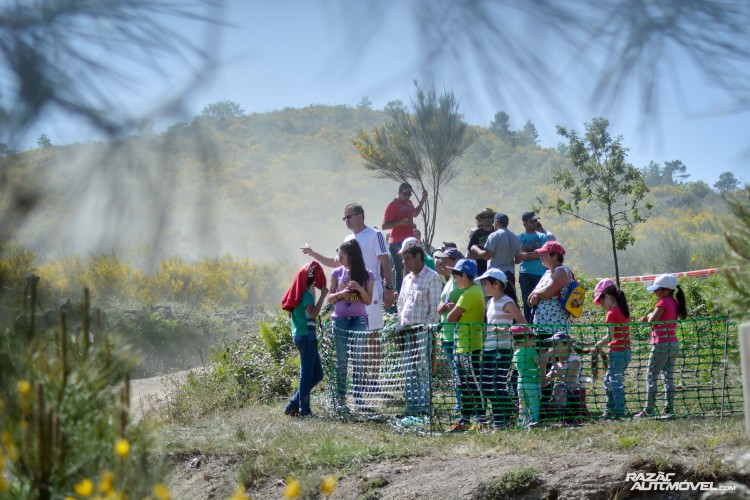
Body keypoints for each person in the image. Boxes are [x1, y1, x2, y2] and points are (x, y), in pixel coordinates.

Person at [301, 203, 394, 396]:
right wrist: (313, 253)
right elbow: (335, 262)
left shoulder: (375, 235)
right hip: (349, 298)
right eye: (344, 218)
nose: (347, 221)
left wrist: (389, 288)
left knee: (372, 336)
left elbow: (385, 260)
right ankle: (361, 382)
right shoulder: (348, 239)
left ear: (360, 215)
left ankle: (373, 380)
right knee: (356, 338)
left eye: (349, 216)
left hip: (371, 290)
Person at [327, 239, 375, 410]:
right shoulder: (336, 273)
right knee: (342, 361)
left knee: (358, 360)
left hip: (359, 321)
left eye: (342, 256)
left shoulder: (368, 274)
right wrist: (342, 293)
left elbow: (368, 301)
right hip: (339, 320)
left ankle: (359, 399)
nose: (339, 259)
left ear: (351, 256)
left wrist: (359, 289)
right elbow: (330, 298)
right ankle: (340, 400)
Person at [396, 239, 442, 416]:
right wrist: (400, 328)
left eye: (407, 258)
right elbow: (401, 305)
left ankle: (424, 406)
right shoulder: (407, 279)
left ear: (418, 256)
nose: (404, 261)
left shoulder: (432, 277)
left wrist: (425, 329)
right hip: (406, 331)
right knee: (408, 369)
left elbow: (435, 309)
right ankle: (412, 406)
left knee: (423, 369)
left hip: (422, 332)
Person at [477, 268, 526, 429]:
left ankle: (501, 421)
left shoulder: (508, 302)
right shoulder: (489, 302)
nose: (483, 287)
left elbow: (523, 325)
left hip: (503, 349)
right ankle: (508, 412)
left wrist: (506, 330)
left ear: (496, 284)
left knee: (497, 385)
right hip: (489, 349)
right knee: (485, 385)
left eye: (485, 283)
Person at [635, 274, 687, 418]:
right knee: (668, 377)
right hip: (673, 343)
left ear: (665, 290)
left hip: (661, 344)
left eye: (657, 289)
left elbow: (652, 321)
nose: (654, 292)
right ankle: (669, 409)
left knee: (651, 376)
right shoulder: (674, 303)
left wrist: (644, 319)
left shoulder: (662, 303)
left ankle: (648, 410)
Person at [444, 259, 486, 432]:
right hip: (462, 345)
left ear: (464, 275)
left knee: (474, 383)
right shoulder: (471, 292)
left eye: (456, 275)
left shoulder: (470, 293)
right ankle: (465, 420)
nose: (454, 279)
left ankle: (483, 420)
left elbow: (450, 318)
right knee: (463, 384)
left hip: (470, 346)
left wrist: (454, 312)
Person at [283, 263, 329, 417]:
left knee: (317, 374)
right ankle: (304, 411)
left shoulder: (295, 294)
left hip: (299, 335)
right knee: (307, 375)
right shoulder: (307, 295)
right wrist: (323, 295)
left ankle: (293, 405)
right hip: (307, 337)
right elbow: (313, 315)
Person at [593, 278, 632, 420]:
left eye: (602, 301)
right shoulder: (623, 310)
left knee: (615, 383)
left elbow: (610, 336)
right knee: (608, 381)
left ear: (608, 297)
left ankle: (619, 412)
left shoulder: (611, 313)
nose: (602, 305)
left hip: (617, 353)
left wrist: (597, 345)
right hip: (626, 351)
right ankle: (609, 409)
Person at [382, 182, 428, 296]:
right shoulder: (392, 205)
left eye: (409, 194)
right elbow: (384, 225)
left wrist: (423, 199)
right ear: (399, 193)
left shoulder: (409, 203)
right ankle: (400, 296)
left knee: (412, 267)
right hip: (396, 242)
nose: (407, 196)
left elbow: (415, 213)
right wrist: (400, 222)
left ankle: (411, 293)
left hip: (409, 241)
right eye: (404, 194)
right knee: (400, 270)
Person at [434, 247, 465, 411]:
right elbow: (445, 300)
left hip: (459, 331)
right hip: (446, 331)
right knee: (456, 371)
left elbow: (471, 301)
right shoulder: (450, 281)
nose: (443, 264)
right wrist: (441, 307)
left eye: (446, 261)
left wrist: (455, 306)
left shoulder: (464, 282)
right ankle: (459, 404)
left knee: (460, 371)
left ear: (456, 261)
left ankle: (463, 405)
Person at [527, 241, 572, 334]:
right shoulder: (548, 273)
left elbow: (546, 293)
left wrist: (533, 294)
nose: (540, 256)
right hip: (542, 326)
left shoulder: (562, 272)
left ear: (554, 256)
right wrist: (533, 297)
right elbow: (540, 294)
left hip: (555, 328)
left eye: (544, 254)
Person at [545, 332, 588, 424]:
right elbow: (544, 383)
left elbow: (568, 380)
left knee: (559, 388)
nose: (553, 347)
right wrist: (542, 365)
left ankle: (572, 417)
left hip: (576, 394)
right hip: (564, 395)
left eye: (556, 344)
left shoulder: (573, 360)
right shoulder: (557, 364)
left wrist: (553, 362)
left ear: (567, 345)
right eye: (552, 345)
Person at [469, 213, 521, 290]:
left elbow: (487, 256)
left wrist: (475, 248)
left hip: (496, 275)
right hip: (510, 275)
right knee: (509, 300)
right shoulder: (515, 237)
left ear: (497, 222)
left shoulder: (494, 236)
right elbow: (518, 260)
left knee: (493, 300)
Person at [518, 212, 553, 322]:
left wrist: (528, 254)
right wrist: (536, 254)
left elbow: (543, 253)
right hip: (526, 274)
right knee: (527, 302)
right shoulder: (520, 237)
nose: (535, 223)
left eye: (536, 221)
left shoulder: (543, 236)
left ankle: (541, 326)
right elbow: (521, 256)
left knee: (541, 301)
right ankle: (528, 329)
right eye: (532, 221)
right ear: (524, 223)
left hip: (541, 274)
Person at [511, 326, 544, 429]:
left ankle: (521, 424)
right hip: (532, 383)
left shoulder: (516, 353)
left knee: (522, 404)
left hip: (520, 383)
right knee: (534, 404)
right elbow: (539, 363)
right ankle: (533, 422)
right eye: (532, 338)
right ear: (524, 339)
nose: (534, 341)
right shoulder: (531, 351)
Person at [466, 208, 495, 276]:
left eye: (489, 217)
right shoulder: (477, 233)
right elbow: (469, 253)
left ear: (493, 219)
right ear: (481, 219)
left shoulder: (496, 232)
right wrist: (481, 256)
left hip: (495, 267)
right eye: (484, 217)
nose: (487, 219)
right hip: (482, 268)